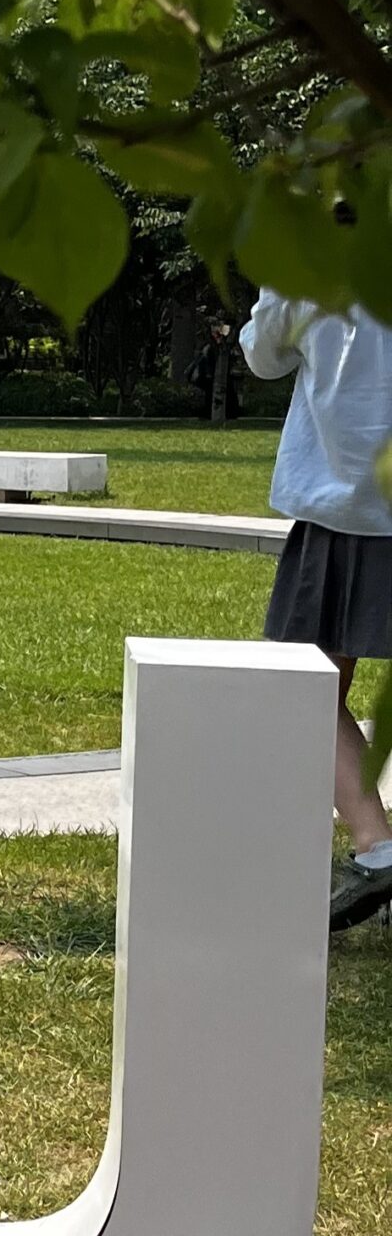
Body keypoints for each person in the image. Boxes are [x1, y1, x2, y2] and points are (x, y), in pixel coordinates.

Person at [242, 282, 392, 930]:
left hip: (344, 505)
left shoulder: (306, 258)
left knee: (305, 692)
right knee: (307, 691)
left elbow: (262, 356)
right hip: (346, 506)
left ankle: (378, 847)